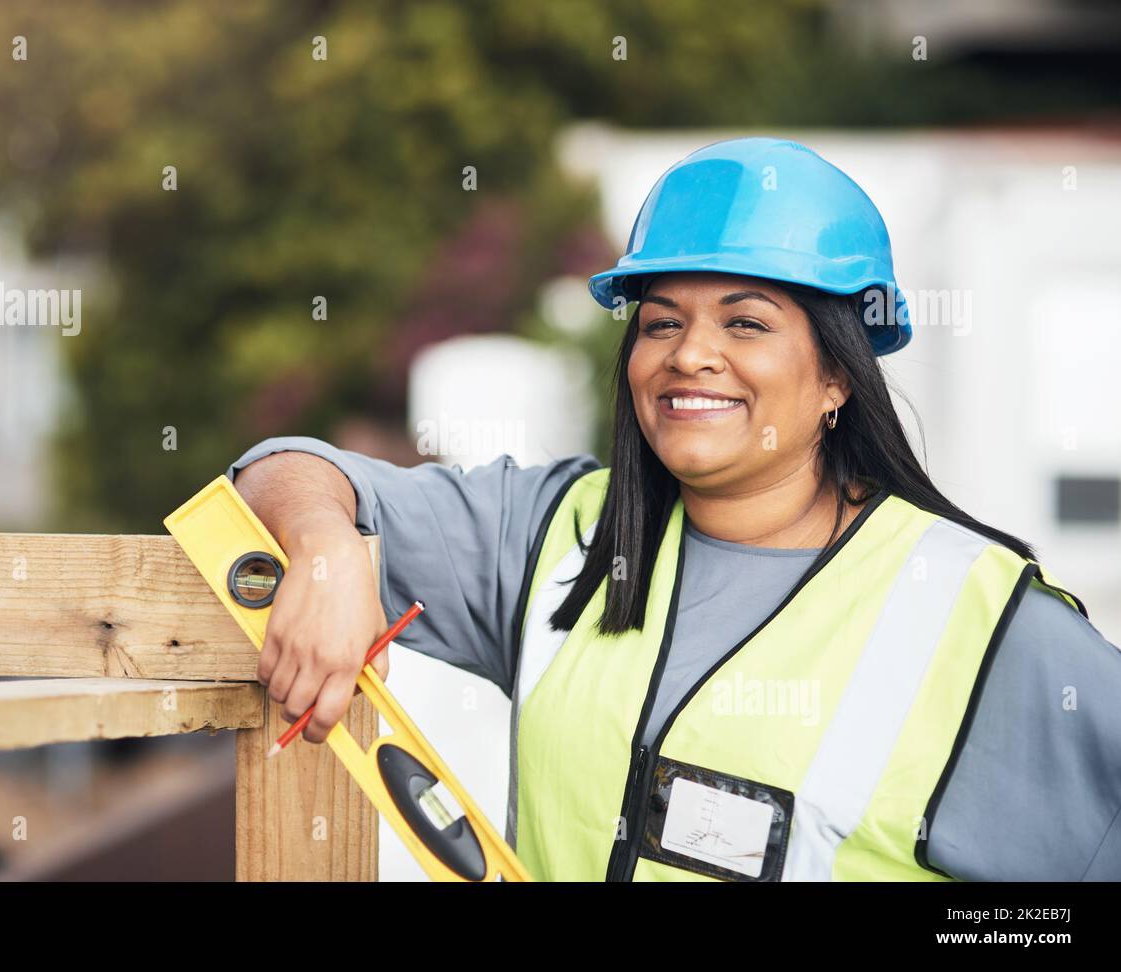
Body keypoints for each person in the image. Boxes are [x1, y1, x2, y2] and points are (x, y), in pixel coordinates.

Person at [229, 137, 1121, 882]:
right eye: (660, 323)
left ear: (839, 374)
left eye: (746, 323)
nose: (690, 355)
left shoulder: (978, 616)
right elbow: (281, 470)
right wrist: (326, 548)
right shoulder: (556, 534)